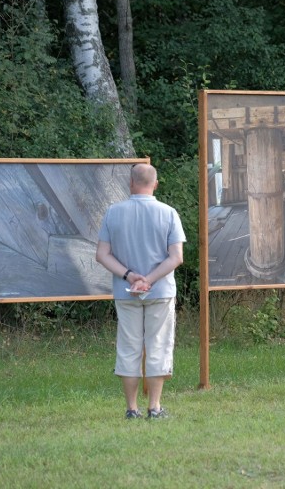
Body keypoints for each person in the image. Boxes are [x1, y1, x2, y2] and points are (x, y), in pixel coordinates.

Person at [96, 164, 186, 419]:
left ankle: (131, 408)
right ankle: (155, 407)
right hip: (160, 291)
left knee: (128, 347)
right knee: (158, 345)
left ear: (131, 183)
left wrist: (130, 276)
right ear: (155, 184)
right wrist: (149, 279)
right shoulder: (168, 213)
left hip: (126, 292)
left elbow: (101, 255)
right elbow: (176, 257)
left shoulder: (113, 213)